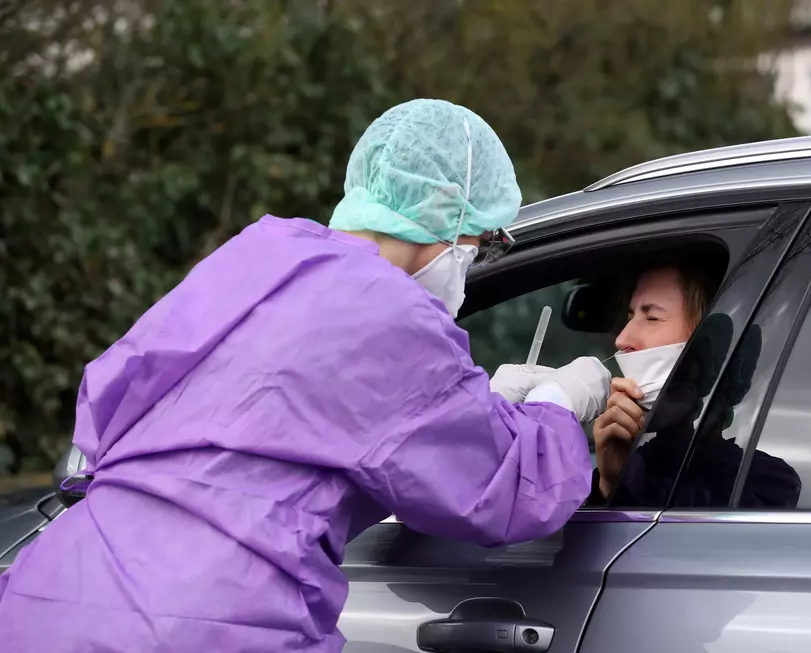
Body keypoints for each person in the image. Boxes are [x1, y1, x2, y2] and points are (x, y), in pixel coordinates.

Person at [0, 99, 611, 652]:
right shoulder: (396, 318)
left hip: (47, 601)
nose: (477, 260)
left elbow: (125, 406)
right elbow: (508, 495)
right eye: (483, 243)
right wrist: (558, 405)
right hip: (205, 625)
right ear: (450, 219)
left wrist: (477, 409)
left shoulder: (259, 255)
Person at [588, 261, 801, 507]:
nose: (622, 339)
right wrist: (608, 483)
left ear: (709, 353)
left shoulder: (767, 482)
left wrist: (626, 482)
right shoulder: (631, 460)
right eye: (630, 317)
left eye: (652, 317)